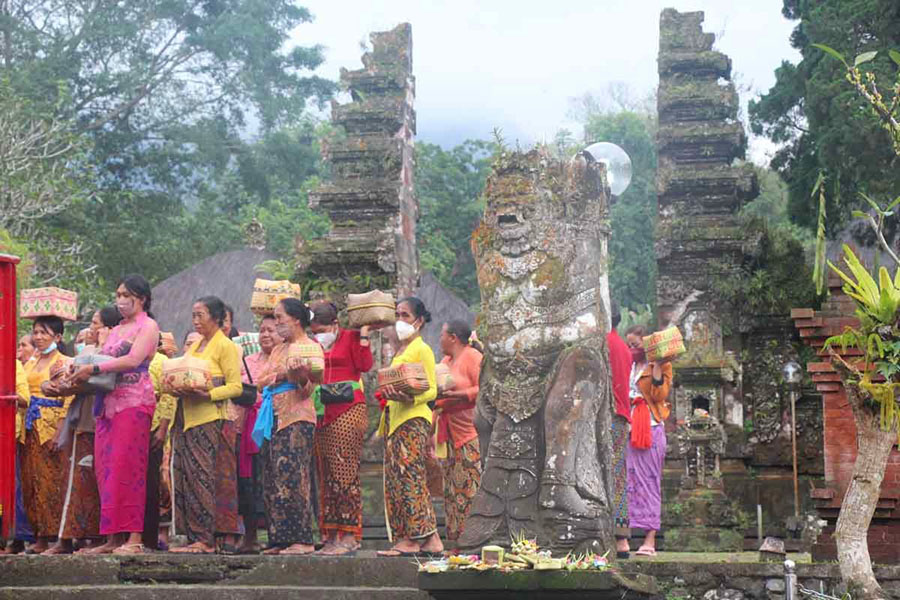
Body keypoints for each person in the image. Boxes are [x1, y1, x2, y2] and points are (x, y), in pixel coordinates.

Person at [69, 275, 160, 555]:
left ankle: (134, 537)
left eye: (126, 295)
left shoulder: (149, 326)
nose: (120, 300)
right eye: (118, 294)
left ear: (141, 298)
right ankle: (112, 538)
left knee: (129, 467)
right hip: (107, 404)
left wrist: (93, 370)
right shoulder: (118, 328)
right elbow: (101, 358)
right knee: (106, 468)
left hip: (133, 403)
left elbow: (133, 360)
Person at [170, 296, 242, 554]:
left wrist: (209, 394)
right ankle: (193, 536)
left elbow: (236, 386)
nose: (196, 321)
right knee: (189, 477)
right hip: (188, 418)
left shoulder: (226, 346)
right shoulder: (196, 345)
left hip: (212, 417)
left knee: (205, 477)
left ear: (216, 317)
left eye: (200, 315)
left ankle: (206, 539)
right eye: (194, 315)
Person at [252, 298, 323, 555]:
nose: (278, 322)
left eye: (280, 317)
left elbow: (308, 389)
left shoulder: (309, 347)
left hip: (297, 417)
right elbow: (261, 381)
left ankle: (303, 538)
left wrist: (298, 375)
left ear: (295, 319)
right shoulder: (280, 350)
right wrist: (279, 376)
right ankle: (279, 537)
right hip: (273, 416)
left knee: (295, 477)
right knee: (272, 479)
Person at [53, 307, 122, 555]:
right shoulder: (88, 352)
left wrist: (72, 384)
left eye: (96, 324)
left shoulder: (111, 352)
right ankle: (69, 537)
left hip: (98, 421)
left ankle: (90, 537)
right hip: (81, 420)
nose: (92, 329)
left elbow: (98, 382)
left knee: (90, 481)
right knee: (74, 479)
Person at [376, 297, 442, 557]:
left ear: (419, 320)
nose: (400, 320)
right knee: (398, 478)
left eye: (405, 315)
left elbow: (433, 390)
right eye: (397, 314)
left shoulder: (421, 349)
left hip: (413, 417)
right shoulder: (401, 351)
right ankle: (430, 538)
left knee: (408, 476)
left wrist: (410, 397)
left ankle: (413, 539)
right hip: (395, 418)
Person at [308, 301, 373, 556]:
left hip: (348, 408)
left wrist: (365, 335)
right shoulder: (312, 344)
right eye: (314, 330)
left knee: (344, 469)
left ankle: (349, 534)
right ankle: (330, 533)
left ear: (335, 324)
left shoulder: (351, 337)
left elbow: (365, 365)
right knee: (325, 472)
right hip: (322, 410)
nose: (318, 334)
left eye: (322, 328)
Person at [20, 316, 73, 553]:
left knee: (54, 482)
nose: (39, 337)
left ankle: (62, 539)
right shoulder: (30, 362)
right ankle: (40, 537)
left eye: (45, 333)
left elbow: (68, 399)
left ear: (58, 337)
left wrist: (60, 432)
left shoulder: (64, 362)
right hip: (30, 427)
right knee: (32, 481)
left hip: (51, 427)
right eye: (36, 332)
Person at [624, 325, 672, 557]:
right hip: (629, 428)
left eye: (636, 344)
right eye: (629, 345)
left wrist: (657, 366)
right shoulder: (629, 365)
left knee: (649, 481)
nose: (632, 349)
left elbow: (659, 396)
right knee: (628, 482)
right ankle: (624, 537)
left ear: (648, 344)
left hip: (651, 428)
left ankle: (650, 539)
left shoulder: (661, 365)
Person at [434, 320, 483, 545]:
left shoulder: (472, 356)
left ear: (453, 337)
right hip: (448, 433)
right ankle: (454, 541)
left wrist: (460, 395)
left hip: (469, 433)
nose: (439, 339)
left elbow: (484, 388)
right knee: (451, 491)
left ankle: (471, 541)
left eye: (442, 335)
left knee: (469, 488)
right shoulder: (445, 361)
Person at [236, 315, 279, 554]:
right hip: (248, 427)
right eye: (262, 330)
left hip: (274, 426)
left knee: (272, 480)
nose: (265, 335)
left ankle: (276, 536)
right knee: (248, 482)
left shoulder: (283, 360)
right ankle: (250, 537)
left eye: (271, 330)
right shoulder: (247, 361)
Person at [144, 333, 178, 550]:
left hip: (155, 426)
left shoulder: (161, 362)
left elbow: (168, 396)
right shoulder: (133, 362)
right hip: (135, 427)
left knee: (156, 481)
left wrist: (162, 428)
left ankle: (154, 534)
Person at [0, 357, 35, 554]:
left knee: (9, 487)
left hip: (5, 434)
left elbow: (24, 399)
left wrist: (7, 395)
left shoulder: (12, 365)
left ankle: (11, 537)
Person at [608, 302, 633, 558]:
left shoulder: (601, 345)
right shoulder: (624, 347)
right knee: (618, 475)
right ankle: (621, 539)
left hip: (607, 416)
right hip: (621, 416)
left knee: (607, 475)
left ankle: (615, 537)